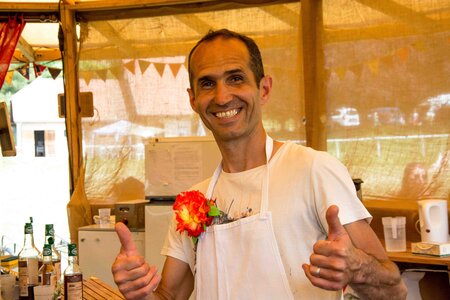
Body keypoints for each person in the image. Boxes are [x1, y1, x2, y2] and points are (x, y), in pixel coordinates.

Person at [112, 29, 407, 300]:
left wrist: (357, 267)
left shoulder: (313, 170)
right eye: (207, 83)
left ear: (264, 89)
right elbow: (168, 297)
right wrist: (140, 292)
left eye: (235, 78)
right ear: (193, 100)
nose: (222, 96)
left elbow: (396, 291)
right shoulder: (193, 203)